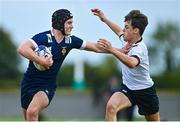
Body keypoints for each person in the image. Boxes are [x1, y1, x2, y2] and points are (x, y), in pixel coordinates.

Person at [17, 9, 112, 121]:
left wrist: (119, 51)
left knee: (32, 111)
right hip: (28, 83)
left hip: (47, 86)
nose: (72, 26)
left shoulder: (70, 41)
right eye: (69, 23)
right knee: (28, 117)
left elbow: (96, 47)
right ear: (59, 23)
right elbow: (22, 48)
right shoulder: (43, 37)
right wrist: (41, 61)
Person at [91, 8, 160, 121]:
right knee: (111, 106)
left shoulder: (140, 48)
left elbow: (132, 63)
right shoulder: (127, 40)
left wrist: (112, 50)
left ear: (136, 31)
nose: (123, 29)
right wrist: (104, 19)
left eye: (127, 27)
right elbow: (118, 30)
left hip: (145, 91)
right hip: (128, 88)